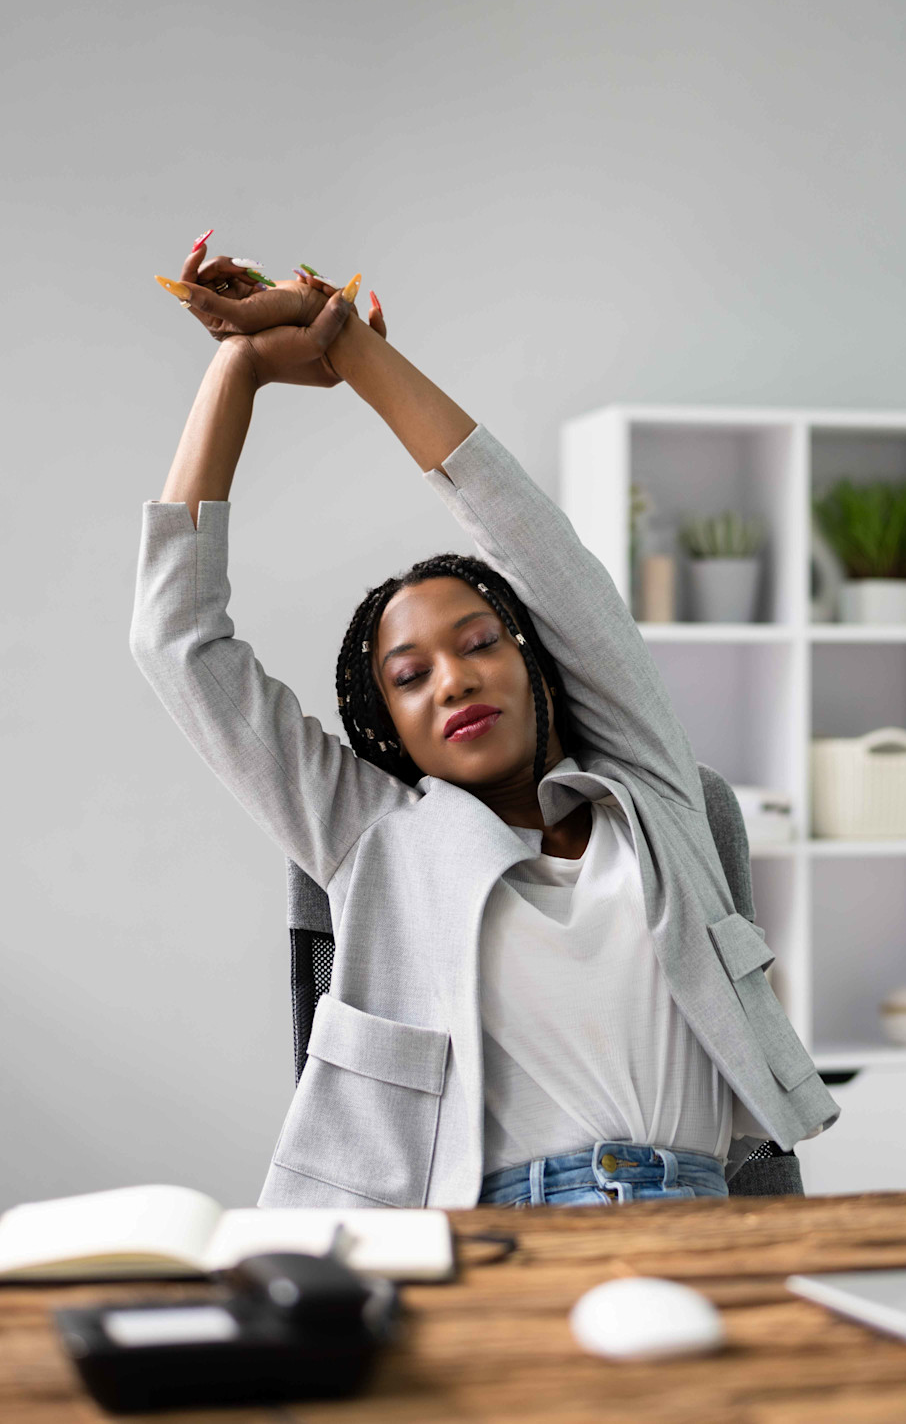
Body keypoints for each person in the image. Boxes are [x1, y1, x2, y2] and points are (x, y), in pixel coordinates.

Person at [129, 235, 837, 1208]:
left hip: (705, 1218)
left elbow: (529, 538)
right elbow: (176, 643)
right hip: (497, 1238)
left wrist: (351, 347)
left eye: (478, 643)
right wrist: (239, 367)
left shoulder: (655, 791)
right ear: (387, 729)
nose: (453, 681)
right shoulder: (374, 839)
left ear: (537, 661)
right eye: (409, 676)